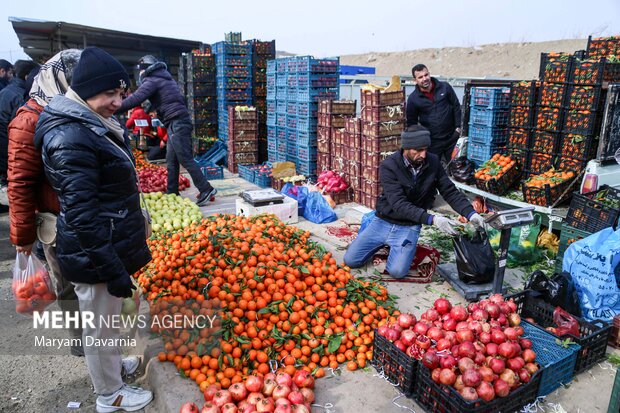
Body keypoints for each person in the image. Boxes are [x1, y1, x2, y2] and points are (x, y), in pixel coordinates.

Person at [35, 46, 153, 413]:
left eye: (121, 93)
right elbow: (83, 214)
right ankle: (111, 395)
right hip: (94, 251)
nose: (118, 101)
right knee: (99, 325)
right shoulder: (71, 135)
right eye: (110, 94)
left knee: (107, 319)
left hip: (104, 245)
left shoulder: (88, 123)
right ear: (85, 90)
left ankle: (114, 369)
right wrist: (110, 267)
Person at [8, 50, 84, 356]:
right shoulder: (30, 119)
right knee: (68, 284)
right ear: (57, 77)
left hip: (77, 217)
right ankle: (84, 344)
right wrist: (22, 238)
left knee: (88, 285)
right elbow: (20, 183)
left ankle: (102, 349)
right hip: (55, 220)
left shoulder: (68, 109)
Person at [343, 125, 485, 279]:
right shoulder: (389, 166)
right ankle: (383, 240)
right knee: (351, 260)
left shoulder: (433, 162)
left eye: (425, 149)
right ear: (406, 148)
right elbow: (399, 204)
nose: (423, 154)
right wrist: (433, 219)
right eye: (418, 150)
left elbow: (449, 191)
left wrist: (470, 213)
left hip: (409, 225)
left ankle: (399, 247)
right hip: (383, 221)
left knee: (397, 272)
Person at [117, 55, 217, 204]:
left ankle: (206, 188)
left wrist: (114, 107)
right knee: (171, 160)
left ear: (145, 70)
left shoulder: (152, 80)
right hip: (175, 122)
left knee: (184, 158)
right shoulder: (165, 79)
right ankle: (172, 192)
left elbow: (136, 98)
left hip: (177, 122)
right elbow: (167, 99)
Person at [406, 64, 462, 164]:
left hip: (452, 138)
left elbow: (456, 107)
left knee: (456, 168)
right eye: (420, 77)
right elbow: (412, 123)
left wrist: (458, 129)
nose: (425, 79)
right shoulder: (413, 99)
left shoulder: (445, 87)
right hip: (432, 143)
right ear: (415, 80)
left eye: (426, 75)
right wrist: (421, 141)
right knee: (432, 171)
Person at [0, 59, 40, 187]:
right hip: (10, 149)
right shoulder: (20, 96)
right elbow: (21, 131)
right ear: (28, 76)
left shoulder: (6, 90)